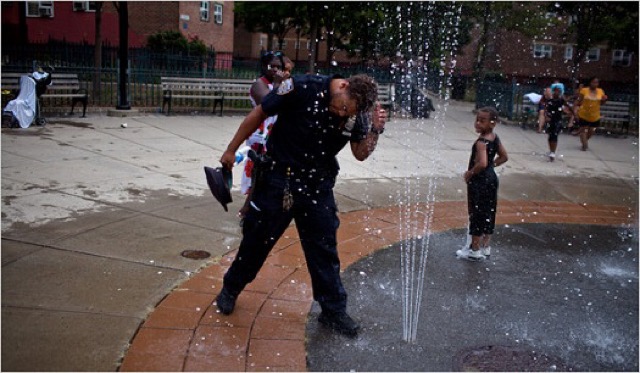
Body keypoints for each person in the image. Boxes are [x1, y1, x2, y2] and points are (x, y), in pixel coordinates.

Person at [215, 73, 387, 337]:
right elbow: (260, 112)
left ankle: (333, 311)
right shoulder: (302, 87)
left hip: (317, 186)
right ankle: (230, 288)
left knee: (324, 250)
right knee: (257, 240)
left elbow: (360, 153)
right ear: (343, 86)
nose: (342, 115)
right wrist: (230, 149)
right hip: (278, 180)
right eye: (342, 108)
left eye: (347, 114)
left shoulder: (357, 112)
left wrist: (375, 129)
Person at [238, 52, 292, 223]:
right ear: (264, 66)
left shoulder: (284, 84)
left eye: (279, 67)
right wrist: (277, 84)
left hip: (276, 132)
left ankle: (253, 206)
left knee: (269, 172)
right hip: (260, 134)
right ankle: (247, 208)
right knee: (258, 171)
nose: (275, 69)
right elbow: (268, 103)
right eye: (272, 66)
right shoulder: (259, 84)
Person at [457, 107, 508, 261]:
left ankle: (474, 250)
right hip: (491, 179)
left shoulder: (481, 142)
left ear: (493, 123)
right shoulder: (494, 137)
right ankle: (486, 247)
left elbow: (482, 163)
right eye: (477, 120)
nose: (477, 123)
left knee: (476, 212)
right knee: (489, 211)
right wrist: (493, 166)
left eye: (482, 121)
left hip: (480, 181)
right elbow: (504, 157)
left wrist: (470, 173)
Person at [574, 77, 608, 151]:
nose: (595, 84)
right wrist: (575, 110)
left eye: (596, 83)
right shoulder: (584, 90)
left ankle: (584, 139)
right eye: (593, 82)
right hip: (584, 114)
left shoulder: (600, 91)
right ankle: (584, 145)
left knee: (591, 131)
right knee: (583, 130)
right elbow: (579, 101)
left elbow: (602, 103)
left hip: (595, 115)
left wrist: (604, 100)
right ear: (590, 83)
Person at [538, 83, 570, 162]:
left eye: (558, 91)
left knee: (555, 135)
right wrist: (546, 116)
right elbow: (546, 109)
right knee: (550, 136)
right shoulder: (550, 100)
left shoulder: (561, 100)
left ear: (561, 92)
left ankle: (553, 152)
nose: (556, 93)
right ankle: (551, 150)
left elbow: (569, 107)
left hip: (557, 120)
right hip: (550, 120)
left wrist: (572, 114)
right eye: (555, 91)